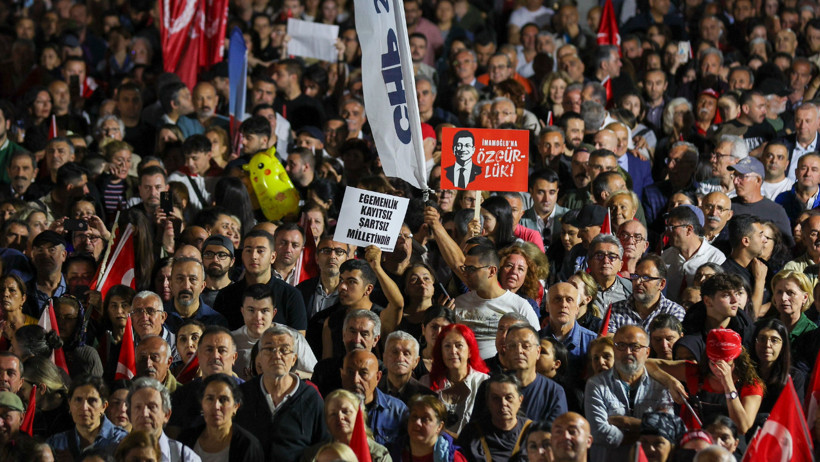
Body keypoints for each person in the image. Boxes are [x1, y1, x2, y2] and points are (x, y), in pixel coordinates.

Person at [235, 326, 328, 461]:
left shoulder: (310, 398)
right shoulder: (243, 394)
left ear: (294, 359)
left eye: (284, 350)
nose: (277, 355)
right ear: (259, 358)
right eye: (269, 349)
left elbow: (324, 447)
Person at [649, 328, 763, 434]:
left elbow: (742, 428)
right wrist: (669, 381)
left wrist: (728, 385)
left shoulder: (751, 384)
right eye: (714, 364)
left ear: (737, 361)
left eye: (727, 365)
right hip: (696, 440)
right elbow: (647, 363)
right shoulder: (695, 373)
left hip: (730, 442)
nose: (719, 370)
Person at [585, 326, 674, 461]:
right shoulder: (596, 384)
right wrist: (646, 431)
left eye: (635, 347)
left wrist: (624, 421)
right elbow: (599, 433)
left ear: (647, 352)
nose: (627, 352)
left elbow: (665, 430)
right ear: (614, 349)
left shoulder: (661, 385)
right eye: (621, 346)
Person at [177, 373, 264, 462]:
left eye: (223, 400)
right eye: (210, 398)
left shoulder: (248, 445)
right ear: (202, 404)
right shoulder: (186, 440)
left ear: (235, 407)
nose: (216, 406)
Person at [421, 323, 489, 436]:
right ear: (440, 352)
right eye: (447, 346)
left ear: (470, 351)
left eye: (459, 345)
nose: (453, 351)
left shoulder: (484, 382)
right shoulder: (426, 382)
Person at [47, 375, 128, 459]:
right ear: (69, 404)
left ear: (104, 406)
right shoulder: (56, 443)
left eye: (92, 400)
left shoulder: (122, 441)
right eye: (78, 400)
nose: (84, 407)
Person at [456, 373, 532, 462]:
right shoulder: (471, 433)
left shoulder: (532, 431)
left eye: (509, 398)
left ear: (520, 400)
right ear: (488, 402)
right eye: (496, 398)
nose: (503, 403)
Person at [301, 389, 392, 462]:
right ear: (326, 421)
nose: (340, 417)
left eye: (346, 412)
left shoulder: (379, 455)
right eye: (333, 414)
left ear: (360, 415)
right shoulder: (313, 455)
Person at [127, 377, 201, 462]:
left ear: (166, 415)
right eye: (138, 407)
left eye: (152, 407)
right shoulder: (117, 454)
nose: (144, 413)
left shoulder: (187, 458)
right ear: (129, 415)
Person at [607, 254, 685, 333]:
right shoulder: (615, 309)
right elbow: (609, 340)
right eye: (636, 276)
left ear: (661, 284)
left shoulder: (674, 312)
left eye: (646, 277)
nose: (638, 282)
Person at [403, 395, 467, 462]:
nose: (417, 422)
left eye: (425, 419)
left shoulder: (454, 459)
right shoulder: (397, 451)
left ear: (439, 427)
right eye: (414, 416)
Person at [378, 331, 433, 403]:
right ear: (384, 358)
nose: (400, 358)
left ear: (416, 361)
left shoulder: (426, 397)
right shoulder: (372, 388)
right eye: (395, 352)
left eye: (406, 354)